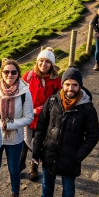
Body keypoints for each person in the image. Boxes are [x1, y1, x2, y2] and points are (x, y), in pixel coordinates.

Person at [30, 67, 99, 197]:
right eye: (67, 84)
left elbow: (93, 136)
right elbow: (41, 127)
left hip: (71, 156)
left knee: (68, 187)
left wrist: (78, 156)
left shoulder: (87, 108)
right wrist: (37, 150)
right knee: (47, 182)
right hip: (50, 151)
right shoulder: (52, 101)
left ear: (80, 86)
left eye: (74, 85)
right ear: (62, 84)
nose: (70, 88)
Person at [0, 59, 33, 197]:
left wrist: (8, 125)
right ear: (2, 73)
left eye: (13, 72)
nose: (10, 74)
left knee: (14, 169)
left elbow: (29, 117)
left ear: (18, 73)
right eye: (6, 71)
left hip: (15, 137)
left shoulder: (25, 92)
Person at [22, 48, 62, 183]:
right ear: (37, 61)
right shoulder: (28, 76)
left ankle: (34, 167)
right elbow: (20, 95)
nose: (43, 64)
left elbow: (57, 100)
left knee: (38, 143)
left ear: (52, 64)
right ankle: (20, 165)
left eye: (47, 62)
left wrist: (39, 110)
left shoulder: (56, 80)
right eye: (41, 60)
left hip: (45, 118)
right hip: (27, 116)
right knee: (25, 142)